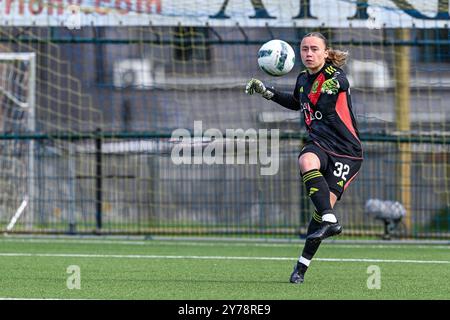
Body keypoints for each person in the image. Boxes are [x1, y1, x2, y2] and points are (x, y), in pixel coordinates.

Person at [245, 32, 363, 284]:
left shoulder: (335, 77)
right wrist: (268, 92)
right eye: (305, 49)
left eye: (314, 49)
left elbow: (336, 87)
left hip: (347, 152)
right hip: (320, 144)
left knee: (320, 216)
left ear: (325, 52)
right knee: (306, 161)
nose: (309, 54)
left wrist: (326, 87)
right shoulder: (302, 79)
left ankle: (301, 265)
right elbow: (298, 102)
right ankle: (329, 224)